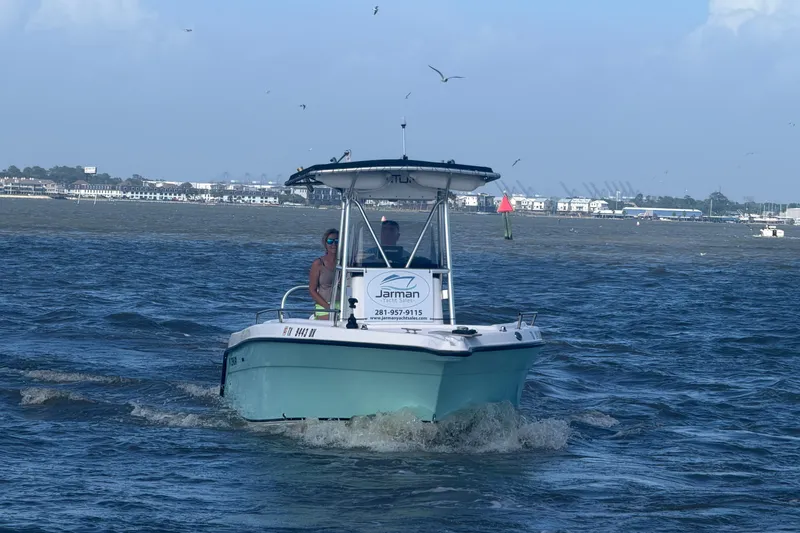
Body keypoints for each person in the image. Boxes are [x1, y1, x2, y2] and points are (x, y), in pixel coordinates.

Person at [309, 228, 340, 319]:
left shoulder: (346, 264)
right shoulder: (318, 264)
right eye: (330, 241)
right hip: (324, 306)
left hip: (344, 305)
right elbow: (312, 290)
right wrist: (328, 308)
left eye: (337, 241)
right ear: (325, 244)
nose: (334, 244)